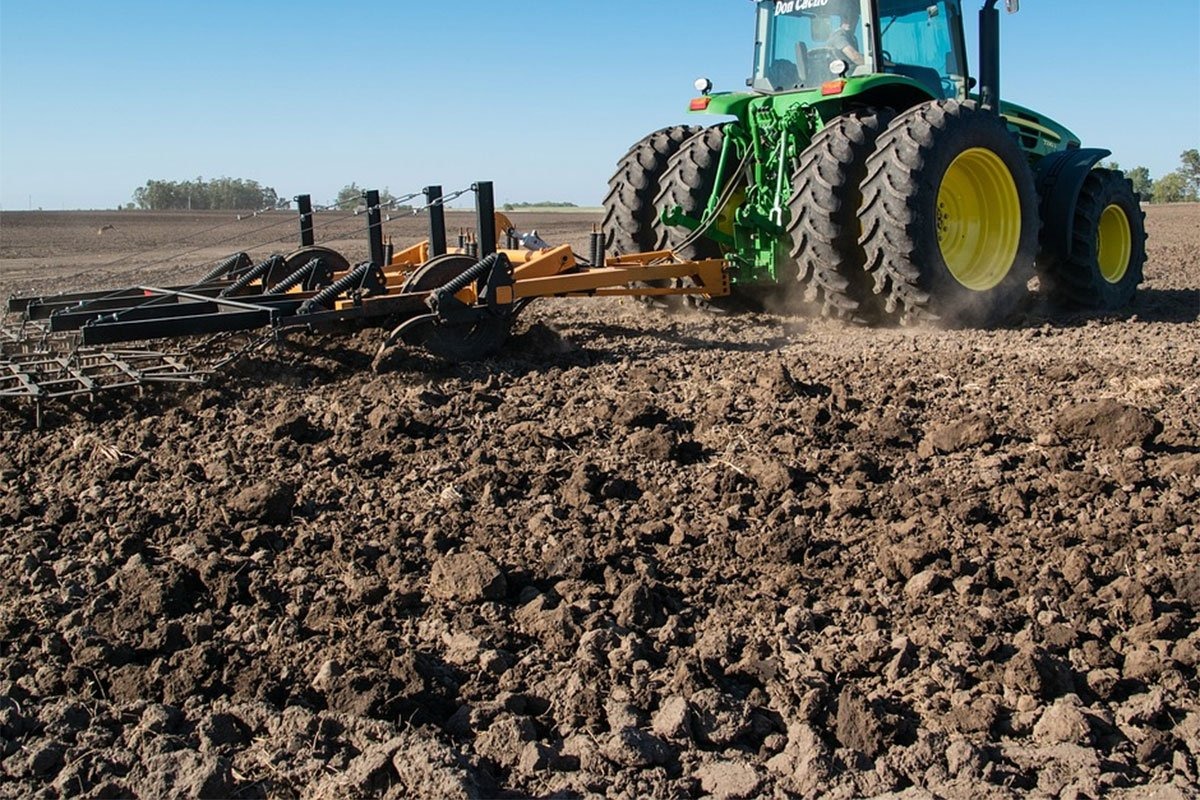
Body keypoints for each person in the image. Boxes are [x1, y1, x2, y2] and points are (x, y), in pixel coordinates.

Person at [827, 2, 865, 67]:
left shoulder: (853, 38)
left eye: (852, 17)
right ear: (841, 18)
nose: (849, 20)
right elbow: (855, 57)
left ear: (857, 20)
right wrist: (874, 65)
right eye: (846, 17)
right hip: (841, 74)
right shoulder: (838, 35)